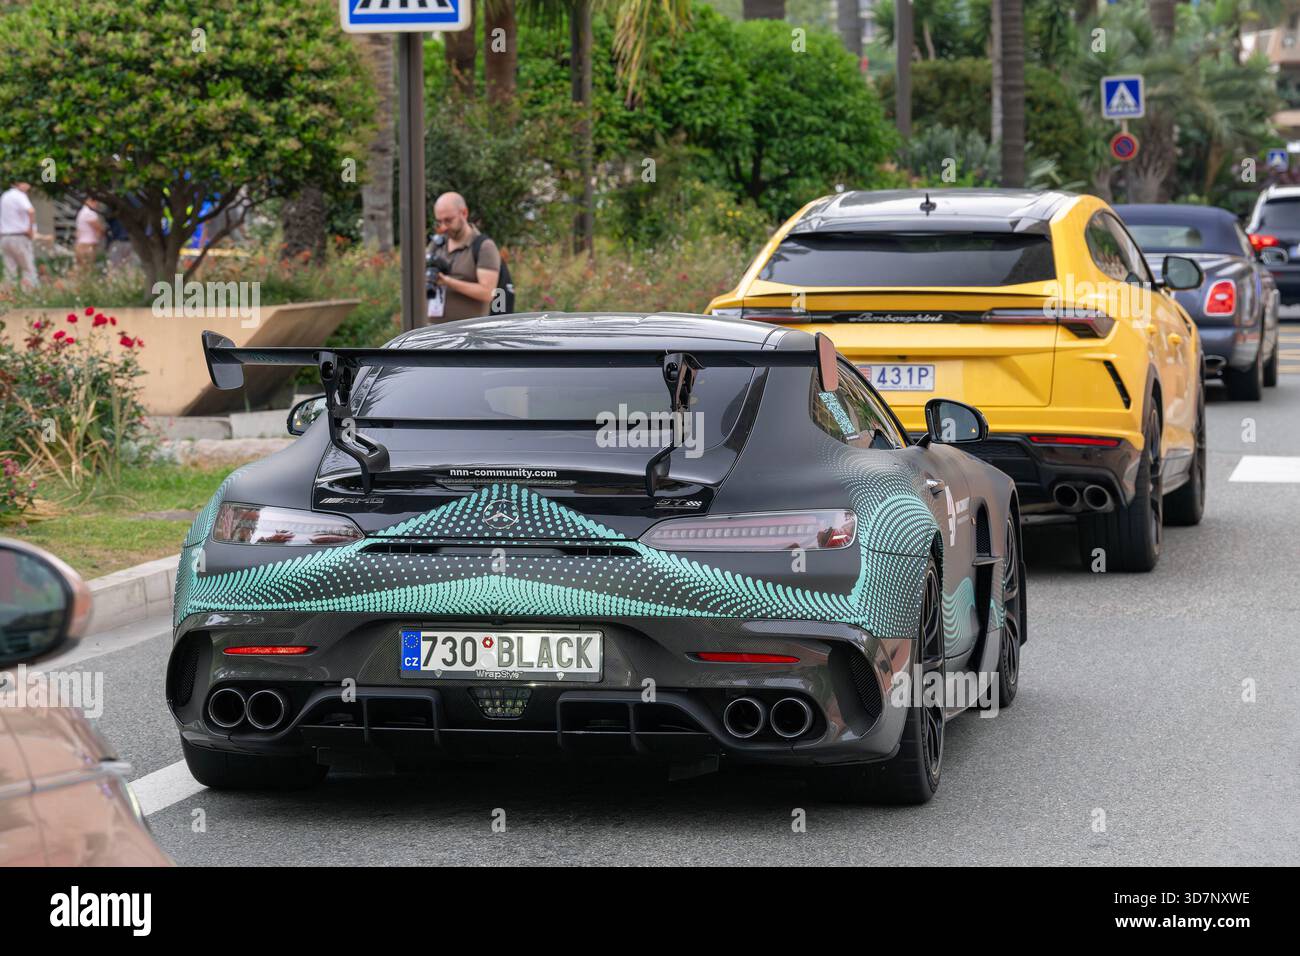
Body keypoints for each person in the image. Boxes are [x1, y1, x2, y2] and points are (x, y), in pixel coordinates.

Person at [423, 191, 501, 325]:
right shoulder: (436, 244)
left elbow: (488, 292)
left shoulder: (483, 246)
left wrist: (447, 281)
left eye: (448, 220)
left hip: (469, 335)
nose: (443, 227)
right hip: (433, 333)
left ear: (464, 213)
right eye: (439, 222)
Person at [0, 181, 38, 288]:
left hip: (5, 237)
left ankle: (9, 296)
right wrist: (30, 230)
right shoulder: (19, 195)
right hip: (19, 236)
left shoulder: (5, 196)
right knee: (28, 268)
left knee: (9, 269)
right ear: (17, 183)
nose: (28, 186)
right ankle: (30, 294)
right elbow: (30, 211)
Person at [74, 198, 106, 275]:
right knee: (87, 268)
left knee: (82, 268)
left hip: (81, 243)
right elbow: (99, 228)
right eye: (96, 202)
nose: (97, 205)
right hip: (88, 244)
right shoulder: (89, 213)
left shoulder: (82, 212)